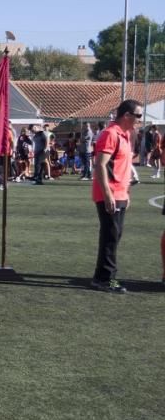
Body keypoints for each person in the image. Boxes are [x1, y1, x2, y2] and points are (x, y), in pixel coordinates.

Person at [90, 100, 143, 293]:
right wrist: (107, 194)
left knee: (114, 235)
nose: (140, 119)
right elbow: (101, 165)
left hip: (119, 192)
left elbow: (123, 168)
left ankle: (101, 277)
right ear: (127, 115)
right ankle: (106, 279)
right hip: (109, 193)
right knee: (111, 236)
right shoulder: (111, 134)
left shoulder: (126, 135)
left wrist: (126, 193)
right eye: (138, 115)